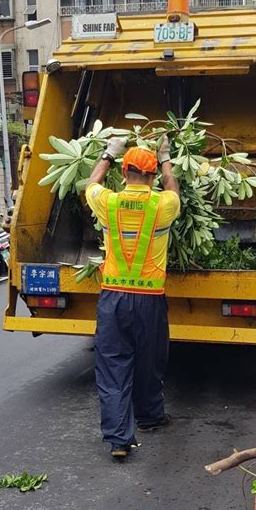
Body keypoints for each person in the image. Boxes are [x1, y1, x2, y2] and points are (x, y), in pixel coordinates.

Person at [86, 135, 180, 459]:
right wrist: (166, 156)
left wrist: (108, 153)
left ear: (124, 173)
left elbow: (91, 183)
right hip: (150, 299)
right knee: (149, 360)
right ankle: (150, 417)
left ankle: (118, 441)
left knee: (113, 367)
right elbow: (174, 190)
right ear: (152, 176)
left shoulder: (107, 202)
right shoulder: (163, 204)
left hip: (113, 298)